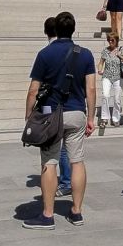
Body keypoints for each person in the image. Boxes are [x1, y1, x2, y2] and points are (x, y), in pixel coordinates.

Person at [22, 12, 97, 229]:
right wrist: (91, 116)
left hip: (50, 113)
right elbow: (90, 89)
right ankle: (76, 211)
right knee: (77, 161)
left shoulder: (45, 54)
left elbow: (33, 90)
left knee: (49, 162)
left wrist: (29, 115)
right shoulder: (85, 54)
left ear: (55, 29)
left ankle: (47, 214)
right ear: (73, 29)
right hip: (76, 112)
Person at [43, 17, 72, 197]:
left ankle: (64, 181)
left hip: (50, 106)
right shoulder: (76, 52)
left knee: (50, 149)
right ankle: (66, 180)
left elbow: (37, 87)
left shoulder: (46, 53)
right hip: (72, 106)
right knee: (67, 150)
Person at [97, 32, 123, 128]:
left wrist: (120, 56)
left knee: (117, 98)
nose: (110, 42)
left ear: (116, 41)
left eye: (112, 40)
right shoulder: (105, 51)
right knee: (105, 95)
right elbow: (101, 62)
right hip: (107, 76)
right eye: (109, 40)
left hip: (118, 77)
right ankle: (104, 118)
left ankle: (116, 118)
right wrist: (99, 69)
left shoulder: (121, 49)